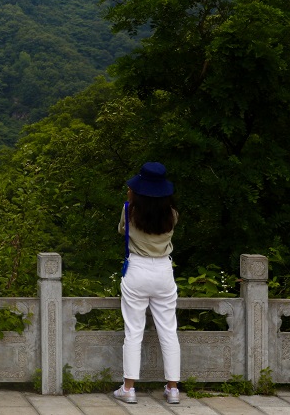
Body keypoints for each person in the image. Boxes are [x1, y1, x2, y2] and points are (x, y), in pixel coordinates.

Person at [113, 161, 181, 405]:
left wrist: (130, 199)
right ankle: (172, 389)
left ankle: (129, 388)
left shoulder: (129, 210)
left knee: (134, 331)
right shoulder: (172, 214)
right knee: (169, 330)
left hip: (138, 269)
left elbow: (123, 231)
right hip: (163, 269)